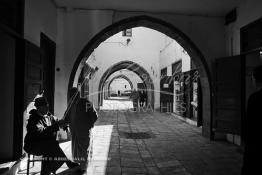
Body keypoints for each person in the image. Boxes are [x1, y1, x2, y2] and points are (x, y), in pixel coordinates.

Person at [24, 96, 79, 175]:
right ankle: (62, 165)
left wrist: (65, 126)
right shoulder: (33, 119)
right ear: (39, 108)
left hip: (46, 144)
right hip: (33, 145)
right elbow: (40, 132)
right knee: (51, 147)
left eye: (47, 106)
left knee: (51, 148)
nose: (47, 109)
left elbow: (57, 120)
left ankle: (47, 171)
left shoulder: (49, 116)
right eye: (45, 107)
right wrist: (56, 126)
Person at [64, 87, 98, 173]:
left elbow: (94, 115)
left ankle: (83, 168)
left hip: (84, 131)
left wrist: (89, 125)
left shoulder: (86, 102)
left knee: (84, 148)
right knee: (77, 148)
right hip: (75, 131)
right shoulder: (71, 104)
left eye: (74, 94)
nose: (72, 97)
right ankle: (80, 164)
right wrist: (63, 123)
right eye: (71, 95)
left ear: (78, 94)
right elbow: (66, 116)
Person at [242, 65, 262, 174]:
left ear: (254, 78)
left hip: (256, 144)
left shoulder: (254, 98)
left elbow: (250, 123)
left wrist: (246, 141)